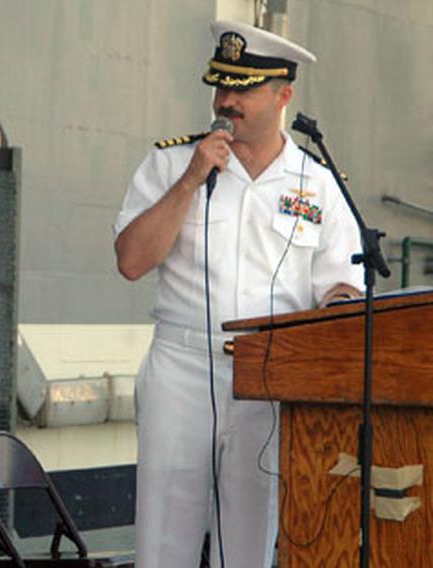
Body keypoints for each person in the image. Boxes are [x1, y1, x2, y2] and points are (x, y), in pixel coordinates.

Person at [113, 21, 363, 567]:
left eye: (243, 90)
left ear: (283, 95)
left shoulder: (317, 183)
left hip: (271, 377)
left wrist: (333, 327)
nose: (227, 102)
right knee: (163, 540)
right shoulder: (170, 162)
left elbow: (342, 282)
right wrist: (190, 179)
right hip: (182, 368)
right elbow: (131, 261)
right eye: (221, 87)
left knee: (249, 540)